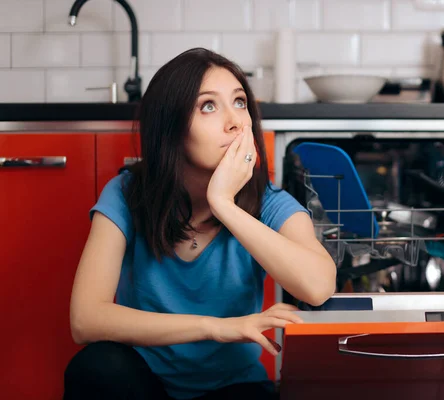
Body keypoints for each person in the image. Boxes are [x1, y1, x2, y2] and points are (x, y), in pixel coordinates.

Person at [63, 48, 337, 400]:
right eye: (208, 105)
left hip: (235, 388)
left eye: (240, 102)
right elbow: (85, 319)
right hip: (144, 384)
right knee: (97, 367)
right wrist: (216, 328)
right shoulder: (127, 193)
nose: (235, 121)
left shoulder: (269, 202)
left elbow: (318, 286)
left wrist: (224, 204)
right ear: (172, 129)